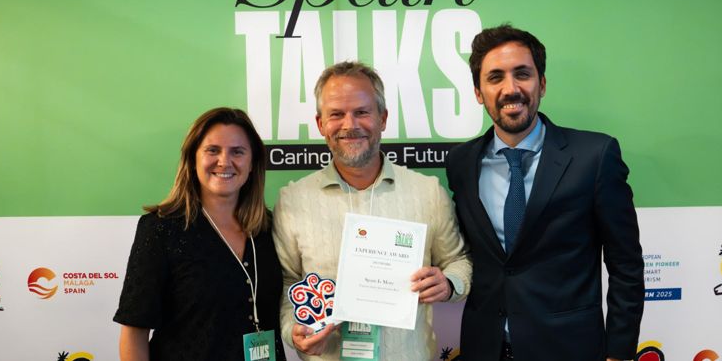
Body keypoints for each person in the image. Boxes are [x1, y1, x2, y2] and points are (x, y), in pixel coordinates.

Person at [445, 25, 644, 361]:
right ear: (479, 92)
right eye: (495, 78)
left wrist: (619, 353)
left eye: (522, 74)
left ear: (543, 84)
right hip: (484, 348)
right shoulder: (461, 163)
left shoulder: (594, 156)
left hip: (569, 349)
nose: (511, 88)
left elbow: (626, 264)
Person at [273, 61, 472, 361]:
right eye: (336, 114)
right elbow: (287, 283)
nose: (350, 125)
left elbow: (459, 261)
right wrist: (294, 331)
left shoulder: (428, 192)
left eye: (362, 112)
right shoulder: (293, 200)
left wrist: (449, 283)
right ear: (320, 124)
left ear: (383, 118)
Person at [114, 107, 285, 361]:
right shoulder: (161, 229)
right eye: (212, 150)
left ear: (252, 164)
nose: (224, 161)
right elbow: (134, 332)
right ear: (193, 160)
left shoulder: (269, 227)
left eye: (237, 152)